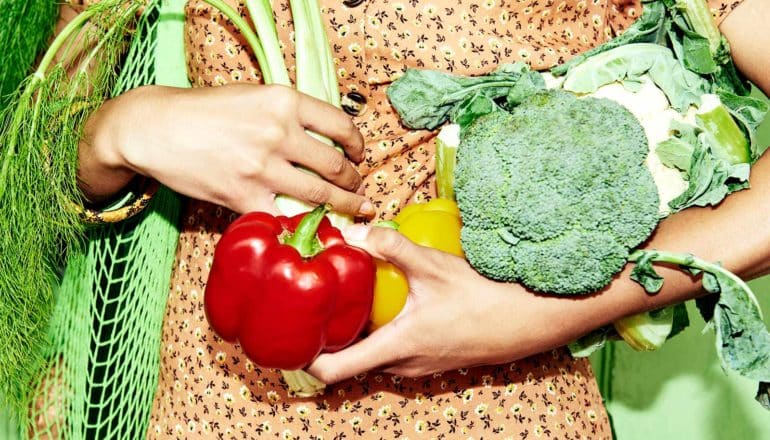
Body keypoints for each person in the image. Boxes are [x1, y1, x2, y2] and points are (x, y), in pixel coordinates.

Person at [56, 0, 770, 438]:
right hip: (210, 406)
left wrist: (550, 313)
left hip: (495, 411)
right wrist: (115, 131)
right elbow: (38, 169)